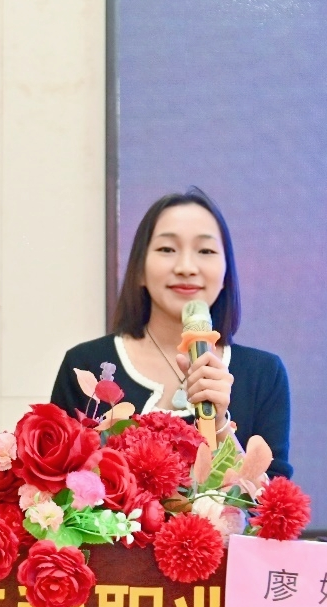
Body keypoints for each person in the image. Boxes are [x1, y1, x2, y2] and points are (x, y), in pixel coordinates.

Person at [50, 188, 292, 478]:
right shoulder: (85, 363)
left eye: (205, 251)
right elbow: (55, 485)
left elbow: (271, 500)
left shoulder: (264, 374)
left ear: (226, 273)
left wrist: (219, 425)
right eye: (167, 249)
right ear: (139, 269)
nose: (186, 267)